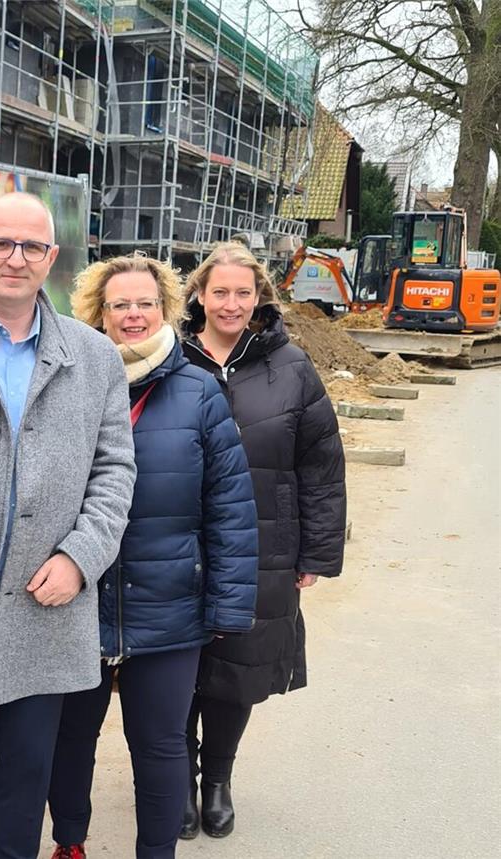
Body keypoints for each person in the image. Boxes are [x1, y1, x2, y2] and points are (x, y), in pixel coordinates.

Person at [0, 192, 138, 859]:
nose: (15, 258)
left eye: (31, 246)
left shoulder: (94, 356)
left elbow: (116, 470)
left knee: (25, 775)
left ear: (52, 259)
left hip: (47, 601)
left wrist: (81, 555)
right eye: (1, 243)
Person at [45, 253, 258, 859]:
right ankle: (70, 842)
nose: (133, 315)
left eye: (145, 303)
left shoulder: (197, 392)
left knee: (161, 747)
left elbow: (231, 510)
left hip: (169, 606)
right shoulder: (68, 384)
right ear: (98, 313)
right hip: (77, 601)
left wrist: (225, 607)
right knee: (70, 740)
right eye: (120, 304)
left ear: (165, 309)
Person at [178, 241, 346, 839]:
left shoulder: (292, 366)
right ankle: (178, 777)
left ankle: (216, 779)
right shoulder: (168, 358)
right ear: (199, 294)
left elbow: (321, 463)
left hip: (264, 543)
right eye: (219, 291)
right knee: (176, 666)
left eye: (242, 292)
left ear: (260, 298)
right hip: (177, 542)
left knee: (239, 666)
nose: (230, 303)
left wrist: (317, 554)